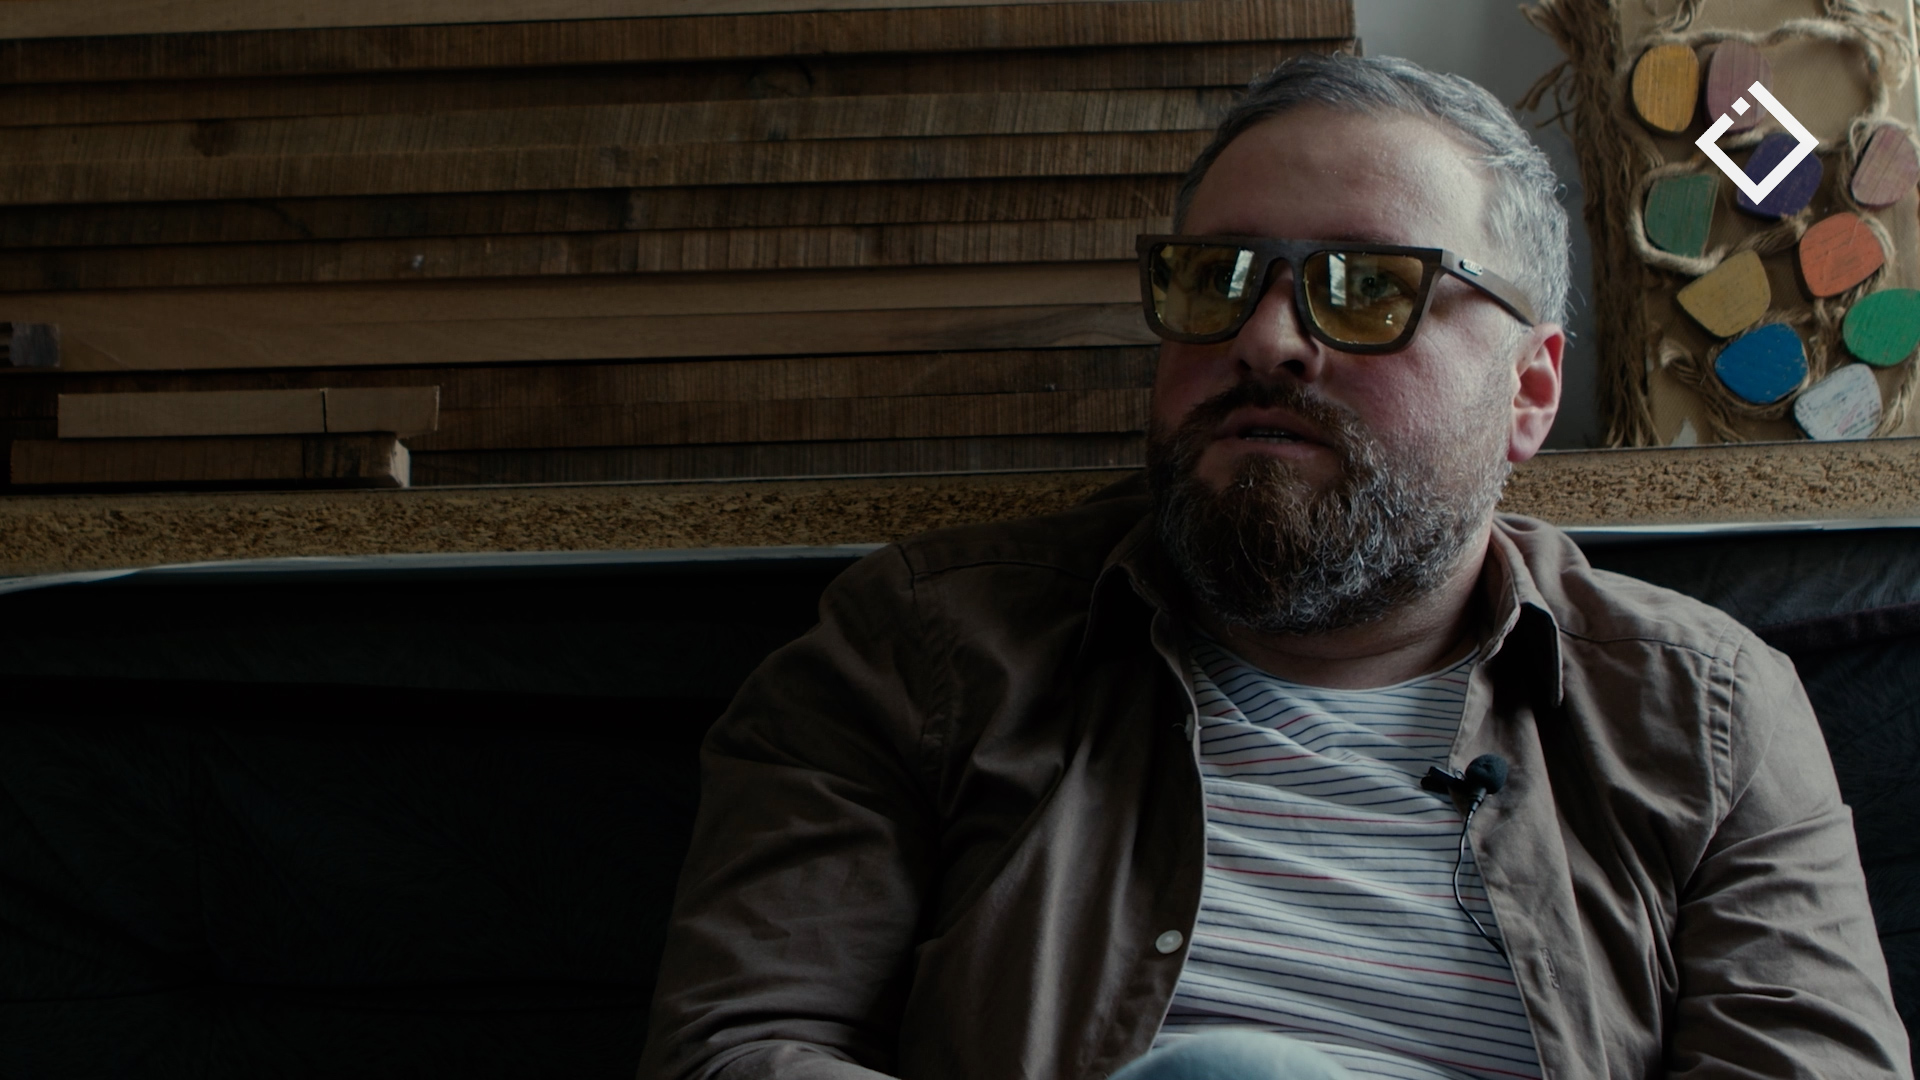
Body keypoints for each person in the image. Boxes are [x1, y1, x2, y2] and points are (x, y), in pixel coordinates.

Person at [637, 53, 1910, 1080]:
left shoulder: (1708, 715)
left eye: (1367, 287)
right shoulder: (921, 649)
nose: (1264, 338)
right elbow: (734, 1047)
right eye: (1218, 279)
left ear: (1529, 390)